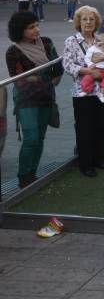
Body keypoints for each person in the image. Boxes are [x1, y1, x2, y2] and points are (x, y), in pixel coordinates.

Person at [5, 11, 63, 187]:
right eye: (31, 27)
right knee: (31, 137)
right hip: (26, 101)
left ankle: (32, 174)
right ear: (20, 30)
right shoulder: (13, 51)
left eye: (37, 25)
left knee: (40, 138)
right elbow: (19, 79)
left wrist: (44, 80)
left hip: (46, 97)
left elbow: (57, 67)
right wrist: (44, 79)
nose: (36, 29)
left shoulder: (46, 43)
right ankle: (23, 176)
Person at [63, 7, 104, 177]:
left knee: (103, 125)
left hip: (103, 91)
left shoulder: (101, 39)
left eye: (91, 19)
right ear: (79, 22)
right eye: (84, 19)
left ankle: (100, 158)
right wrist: (90, 72)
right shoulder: (71, 41)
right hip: (82, 92)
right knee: (85, 129)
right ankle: (86, 164)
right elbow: (68, 65)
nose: (88, 22)